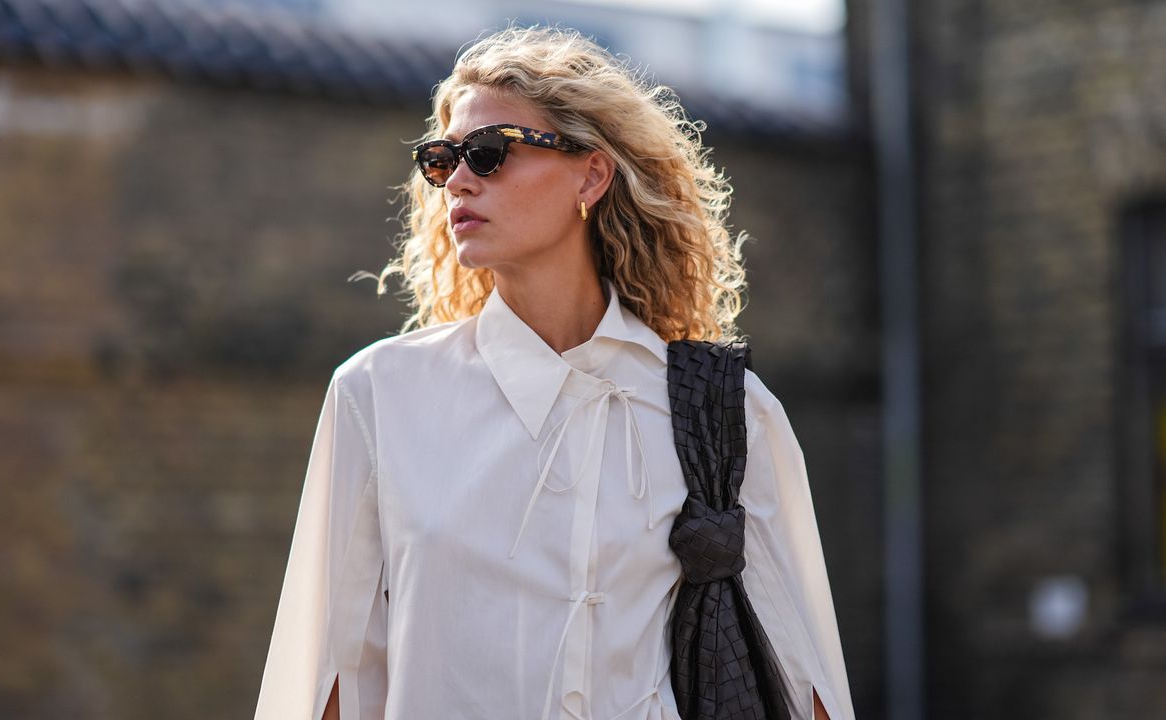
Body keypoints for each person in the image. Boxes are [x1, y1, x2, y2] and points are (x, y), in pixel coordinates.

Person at [253, 25, 854, 720]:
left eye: (488, 153)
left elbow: (803, 677)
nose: (460, 181)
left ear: (591, 175)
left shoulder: (730, 412)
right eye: (443, 159)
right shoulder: (378, 395)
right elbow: (326, 679)